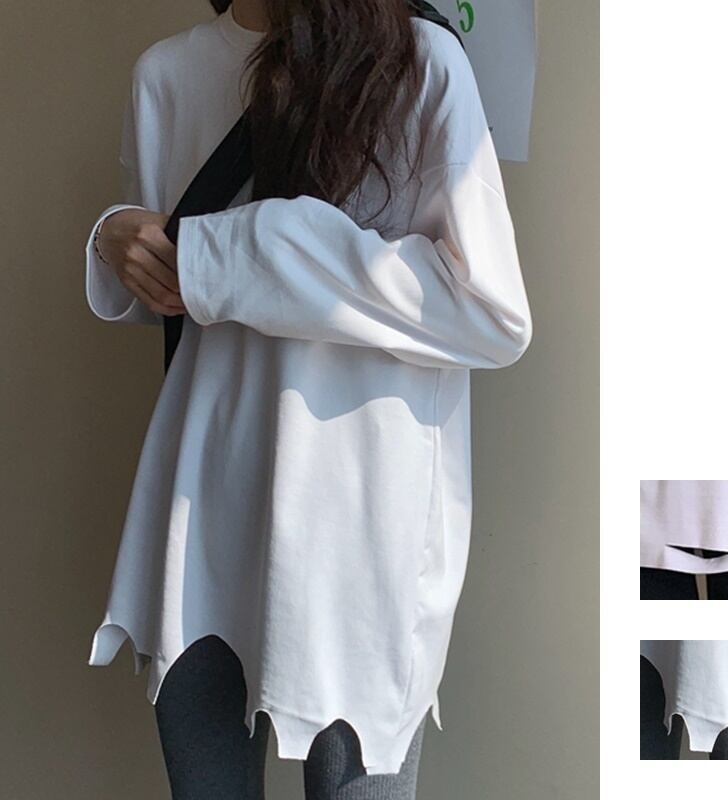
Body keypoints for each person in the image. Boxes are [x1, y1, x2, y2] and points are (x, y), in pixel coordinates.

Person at [85, 1, 533, 797]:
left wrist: (255, 247)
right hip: (201, 513)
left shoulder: (418, 61)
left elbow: (491, 314)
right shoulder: (166, 74)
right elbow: (177, 286)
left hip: (359, 536)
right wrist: (116, 236)